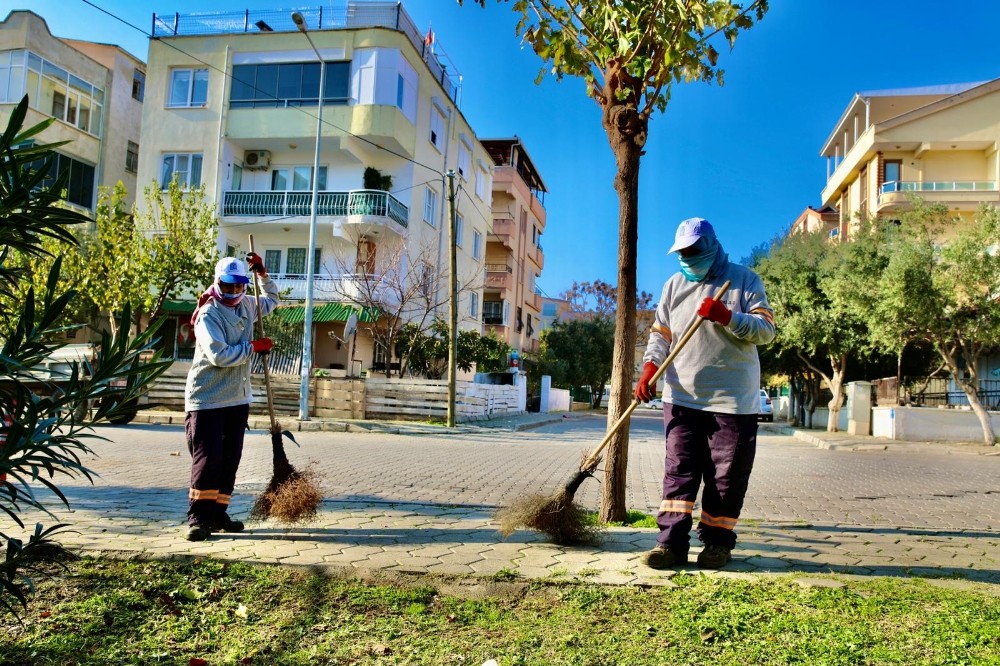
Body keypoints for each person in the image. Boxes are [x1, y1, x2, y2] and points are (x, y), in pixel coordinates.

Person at [635, 217, 775, 569]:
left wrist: (728, 317)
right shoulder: (673, 285)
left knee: (726, 477)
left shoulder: (744, 280)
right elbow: (660, 335)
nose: (687, 257)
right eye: (681, 251)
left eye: (693, 250)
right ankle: (670, 545)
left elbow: (766, 331)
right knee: (679, 471)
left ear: (711, 245)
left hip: (734, 401)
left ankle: (716, 545)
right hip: (681, 396)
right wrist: (650, 367)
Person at [184, 252, 280, 541]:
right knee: (208, 460)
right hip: (208, 398)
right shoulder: (208, 313)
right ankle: (198, 518)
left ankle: (218, 513)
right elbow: (218, 355)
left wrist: (263, 275)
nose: (235, 292)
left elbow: (272, 301)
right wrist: (253, 347)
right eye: (229, 286)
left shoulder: (249, 305)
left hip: (237, 399)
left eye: (240, 286)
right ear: (218, 283)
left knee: (229, 460)